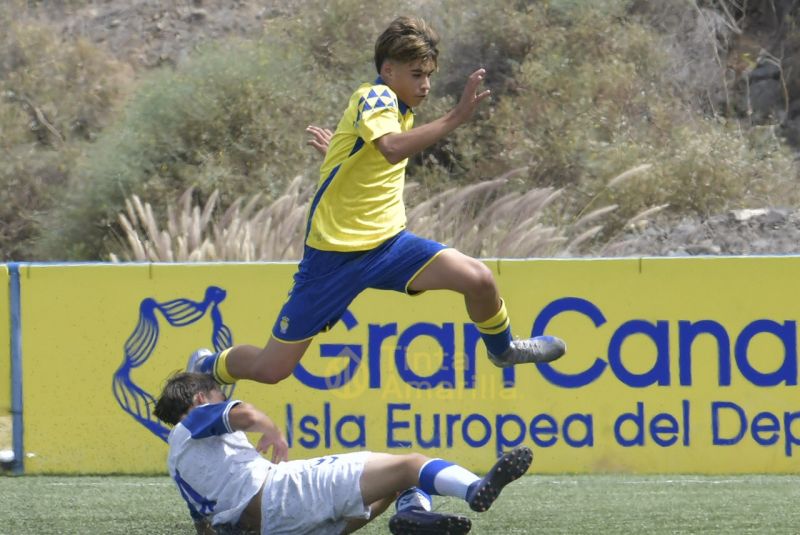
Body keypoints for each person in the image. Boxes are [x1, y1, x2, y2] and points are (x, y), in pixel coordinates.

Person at [187, 15, 566, 387]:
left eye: (429, 74)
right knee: (272, 370)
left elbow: (371, 159)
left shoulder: (401, 110)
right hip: (333, 258)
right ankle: (208, 366)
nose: (426, 84)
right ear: (388, 70)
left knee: (479, 279)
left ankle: (503, 350)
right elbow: (389, 149)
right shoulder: (375, 95)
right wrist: (456, 117)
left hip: (389, 246)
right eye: (417, 75)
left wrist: (337, 155)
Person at [154, 372, 534, 534]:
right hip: (283, 494)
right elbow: (245, 414)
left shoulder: (177, 463)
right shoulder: (197, 418)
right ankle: (475, 489)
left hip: (275, 528)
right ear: (202, 399)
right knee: (412, 463)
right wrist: (270, 429)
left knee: (393, 484)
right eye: (219, 394)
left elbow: (205, 527)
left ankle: (414, 514)